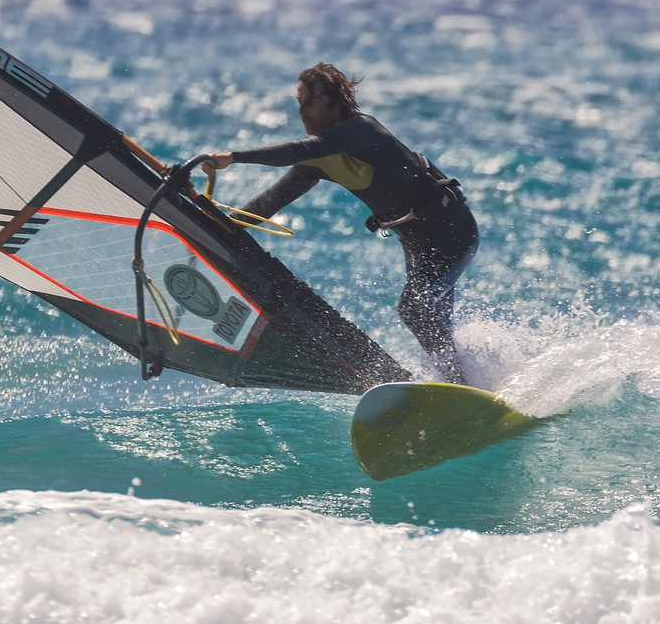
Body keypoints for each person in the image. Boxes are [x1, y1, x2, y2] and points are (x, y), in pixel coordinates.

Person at [199, 63, 479, 384]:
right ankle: (468, 386)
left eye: (311, 102)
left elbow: (303, 148)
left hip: (451, 230)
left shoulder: (362, 130)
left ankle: (461, 386)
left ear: (335, 103)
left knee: (416, 310)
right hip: (415, 240)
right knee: (431, 323)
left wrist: (233, 156)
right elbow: (269, 202)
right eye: (299, 101)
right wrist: (218, 226)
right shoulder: (317, 161)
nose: (302, 111)